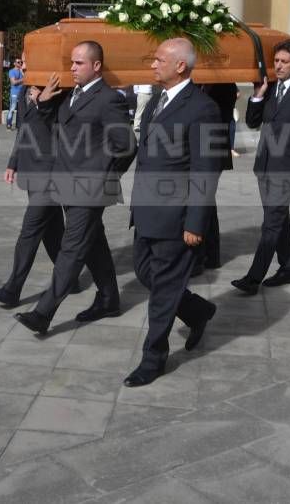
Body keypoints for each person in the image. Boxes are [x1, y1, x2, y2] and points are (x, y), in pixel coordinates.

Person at [13, 41, 136, 336]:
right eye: (71, 62)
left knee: (71, 249)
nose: (72, 68)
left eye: (79, 63)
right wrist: (42, 102)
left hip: (89, 189)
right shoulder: (71, 96)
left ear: (96, 66)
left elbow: (128, 145)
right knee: (94, 244)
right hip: (66, 185)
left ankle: (43, 314)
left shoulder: (109, 99)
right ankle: (109, 299)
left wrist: (105, 177)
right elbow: (52, 129)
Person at [125, 38, 221, 387]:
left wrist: (196, 222)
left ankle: (153, 358)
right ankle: (199, 311)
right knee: (144, 272)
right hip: (148, 212)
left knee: (163, 290)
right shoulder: (155, 103)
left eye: (159, 59)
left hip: (176, 217)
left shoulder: (203, 109)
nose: (153, 64)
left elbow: (205, 170)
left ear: (180, 65)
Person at [0, 54, 87, 307]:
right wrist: (13, 162)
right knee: (51, 231)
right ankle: (71, 280)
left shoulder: (59, 93)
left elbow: (55, 128)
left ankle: (13, 289)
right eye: (24, 61)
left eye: (29, 60)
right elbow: (24, 130)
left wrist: (42, 101)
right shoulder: (25, 92)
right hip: (33, 171)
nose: (25, 65)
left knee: (30, 231)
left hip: (51, 174)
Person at [231, 40, 290, 295]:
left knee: (271, 224)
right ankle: (288, 268)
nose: (279, 66)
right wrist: (258, 95)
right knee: (278, 219)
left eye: (284, 62)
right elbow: (253, 122)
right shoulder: (270, 88)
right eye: (276, 61)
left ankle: (253, 278)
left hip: (288, 168)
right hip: (264, 165)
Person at [194, 82, 237, 274]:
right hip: (198, 150)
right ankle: (209, 254)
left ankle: (206, 254)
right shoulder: (197, 84)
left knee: (204, 200)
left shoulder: (225, 84)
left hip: (214, 150)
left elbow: (224, 115)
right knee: (206, 203)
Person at [7, 58, 24, 130]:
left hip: (22, 93)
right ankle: (9, 124)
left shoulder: (22, 71)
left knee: (21, 109)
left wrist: (22, 72)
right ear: (14, 63)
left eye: (21, 62)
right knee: (12, 108)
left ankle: (18, 125)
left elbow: (27, 79)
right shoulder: (12, 71)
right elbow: (13, 82)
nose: (20, 63)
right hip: (14, 93)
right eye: (18, 62)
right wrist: (22, 80)